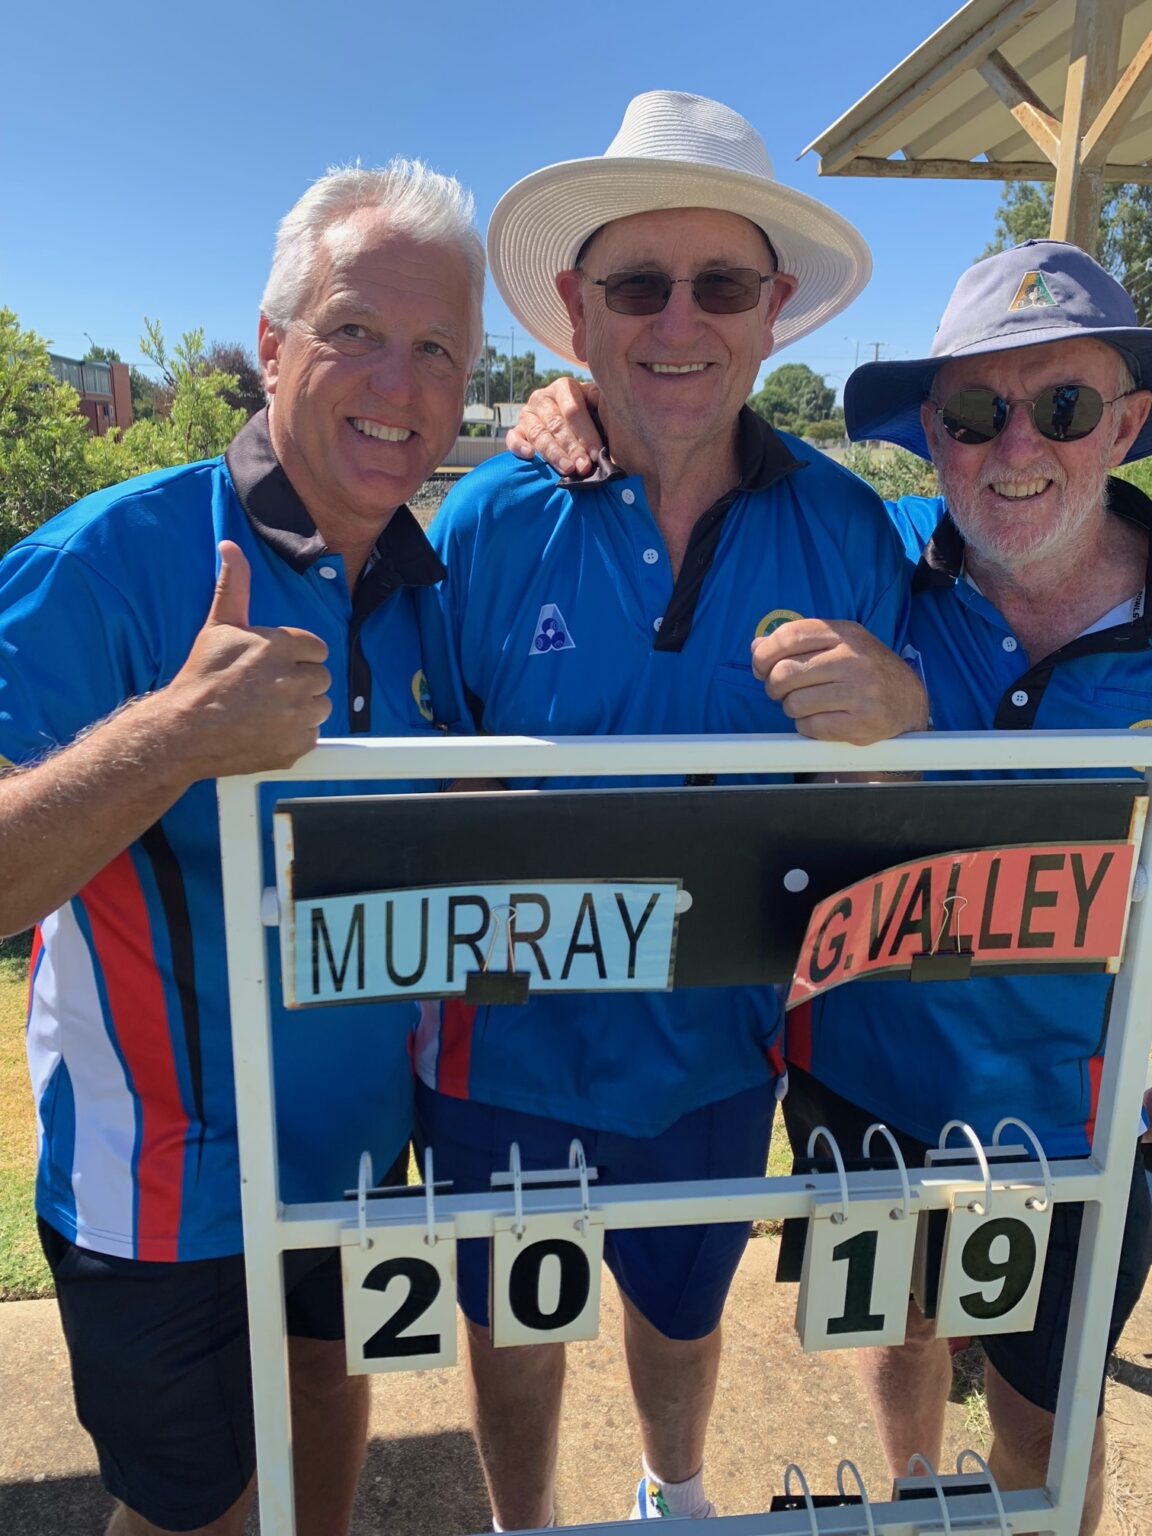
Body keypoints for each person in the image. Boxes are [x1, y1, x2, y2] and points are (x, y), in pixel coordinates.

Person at [514, 239, 1152, 1535]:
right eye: (977, 412)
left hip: (1089, 1111)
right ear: (933, 433)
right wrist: (588, 407)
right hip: (867, 1067)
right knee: (902, 1337)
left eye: (1066, 408)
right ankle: (914, 1496)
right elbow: (705, 482)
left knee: (1048, 1415)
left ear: (1128, 425)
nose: (1016, 446)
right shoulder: (878, 558)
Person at [415, 90, 927, 1529]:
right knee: (510, 1317)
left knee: (685, 1308)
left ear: (774, 313)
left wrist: (911, 720)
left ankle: (675, 1497)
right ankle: (524, 1525)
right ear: (576, 315)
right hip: (498, 1033)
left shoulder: (848, 526)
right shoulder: (487, 520)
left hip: (720, 1040)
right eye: (639, 285)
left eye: (720, 285)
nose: (678, 321)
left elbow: (921, 788)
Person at [0, 160, 483, 1536]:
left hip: (352, 1160)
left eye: (437, 347)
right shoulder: (106, 560)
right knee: (196, 1516)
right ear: (272, 348)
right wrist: (174, 737)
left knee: (328, 1406)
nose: (398, 384)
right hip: (160, 1194)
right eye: (353, 332)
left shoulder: (423, 587)